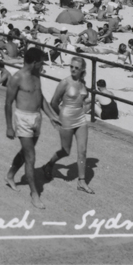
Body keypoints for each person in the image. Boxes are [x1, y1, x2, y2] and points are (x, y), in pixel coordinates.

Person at [4, 48, 61, 209]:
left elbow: (39, 97)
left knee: (25, 152)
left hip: (37, 118)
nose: (43, 64)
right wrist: (9, 126)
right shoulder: (17, 78)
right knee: (31, 156)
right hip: (23, 118)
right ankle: (34, 194)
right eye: (41, 61)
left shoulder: (37, 75)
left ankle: (10, 175)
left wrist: (52, 116)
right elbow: (8, 103)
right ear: (35, 62)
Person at [43, 57, 95, 195]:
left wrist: (83, 108)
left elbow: (84, 99)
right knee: (66, 151)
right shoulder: (64, 82)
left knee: (82, 151)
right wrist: (59, 117)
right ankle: (49, 165)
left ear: (82, 69)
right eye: (71, 66)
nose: (73, 69)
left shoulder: (83, 83)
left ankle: (81, 182)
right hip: (66, 118)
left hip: (80, 118)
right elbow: (53, 102)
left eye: (77, 68)